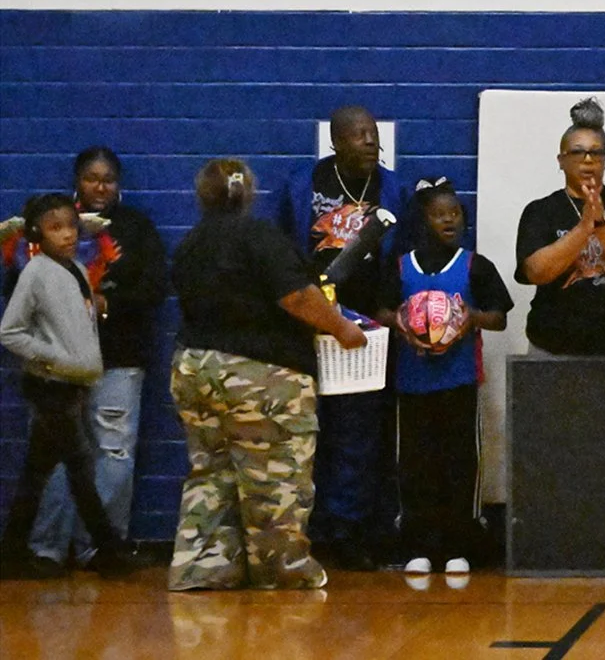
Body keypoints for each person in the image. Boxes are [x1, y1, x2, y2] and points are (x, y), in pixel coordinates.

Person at [168, 158, 368, 591]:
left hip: (193, 367)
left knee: (211, 469)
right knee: (274, 474)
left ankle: (203, 566)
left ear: (202, 194)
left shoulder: (189, 244)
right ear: (249, 192)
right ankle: (283, 569)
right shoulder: (259, 236)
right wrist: (341, 327)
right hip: (259, 373)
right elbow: (296, 296)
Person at [13, 147, 166, 574]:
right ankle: (47, 548)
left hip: (117, 357)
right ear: (76, 180)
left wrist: (103, 304)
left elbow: (153, 288)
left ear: (119, 184)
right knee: (55, 452)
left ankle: (100, 548)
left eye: (109, 179)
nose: (100, 187)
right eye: (91, 178)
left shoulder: (135, 227)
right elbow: (20, 286)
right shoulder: (46, 225)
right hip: (56, 364)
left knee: (113, 452)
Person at [278, 104, 401, 569]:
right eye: (358, 135)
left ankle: (350, 528)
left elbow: (402, 255)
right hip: (310, 323)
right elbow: (284, 253)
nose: (369, 141)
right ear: (335, 142)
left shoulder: (392, 187)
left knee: (359, 430)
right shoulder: (302, 186)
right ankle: (311, 528)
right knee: (310, 429)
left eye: (373, 134)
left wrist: (391, 310)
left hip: (367, 328)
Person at [376, 178, 512, 579]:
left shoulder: (474, 265)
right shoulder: (401, 267)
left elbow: (500, 316)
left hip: (459, 381)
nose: (448, 220)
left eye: (454, 214)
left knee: (460, 464)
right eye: (439, 214)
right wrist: (403, 322)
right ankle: (418, 544)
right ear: (423, 220)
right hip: (412, 383)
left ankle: (460, 544)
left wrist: (470, 318)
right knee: (415, 465)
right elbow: (381, 310)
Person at [0, 194, 137, 578]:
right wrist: (50, 358)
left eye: (70, 226)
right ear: (35, 234)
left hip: (71, 385)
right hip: (51, 387)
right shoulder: (36, 272)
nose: (66, 235)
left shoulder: (75, 268)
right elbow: (10, 331)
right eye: (54, 228)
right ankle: (109, 551)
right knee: (80, 469)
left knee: (36, 474)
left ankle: (10, 551)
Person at [516, 98, 605, 355]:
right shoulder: (540, 211)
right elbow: (536, 272)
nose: (588, 159)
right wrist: (583, 228)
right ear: (561, 160)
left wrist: (602, 222)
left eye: (596, 152)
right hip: (551, 348)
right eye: (578, 152)